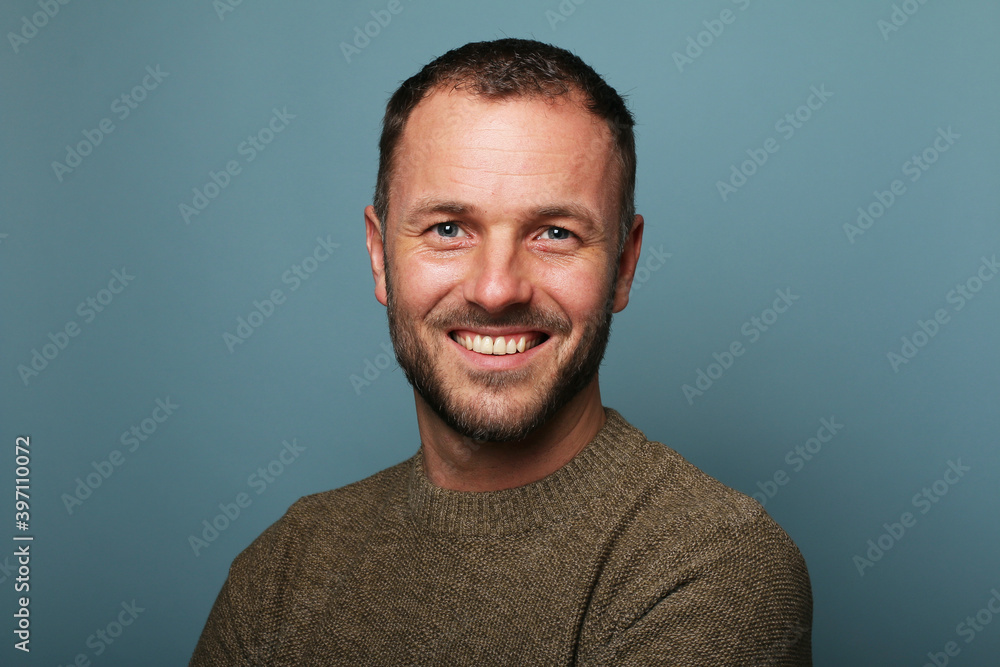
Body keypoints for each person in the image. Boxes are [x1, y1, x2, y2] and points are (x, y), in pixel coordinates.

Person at [191, 37, 812, 665]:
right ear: (380, 257)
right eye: (448, 229)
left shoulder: (712, 563)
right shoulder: (284, 568)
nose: (495, 290)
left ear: (623, 264)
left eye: (554, 233)